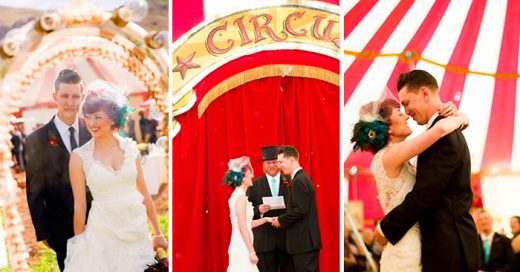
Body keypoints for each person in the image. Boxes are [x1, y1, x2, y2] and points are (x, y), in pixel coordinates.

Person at [367, 70, 480, 271]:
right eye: (401, 111)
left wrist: (385, 229)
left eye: (407, 104)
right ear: (388, 128)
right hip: (422, 245)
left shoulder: (441, 135)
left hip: (447, 245)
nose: (406, 112)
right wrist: (461, 118)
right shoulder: (436, 133)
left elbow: (424, 195)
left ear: (425, 93)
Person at [63, 80, 167, 271]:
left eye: (97, 117)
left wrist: (157, 232)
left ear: (112, 118)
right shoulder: (79, 157)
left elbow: (144, 194)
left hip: (136, 230)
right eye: (88, 117)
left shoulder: (130, 148)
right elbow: (79, 204)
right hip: (103, 232)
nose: (91, 123)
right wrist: (79, 243)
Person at [25, 68, 93, 271]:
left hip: (98, 222)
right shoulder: (36, 139)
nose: (70, 103)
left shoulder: (94, 130)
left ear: (82, 97)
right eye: (64, 96)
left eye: (75, 96)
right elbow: (34, 190)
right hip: (61, 228)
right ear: (55, 96)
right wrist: (43, 232)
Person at [272, 146, 321, 272]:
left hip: (304, 243)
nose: (279, 166)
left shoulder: (299, 180)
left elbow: (300, 210)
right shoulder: (300, 178)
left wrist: (280, 220)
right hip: (305, 243)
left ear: (292, 160)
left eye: (281, 162)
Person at [224, 156, 274, 272]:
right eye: (249, 174)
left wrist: (266, 219)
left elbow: (247, 224)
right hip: (242, 246)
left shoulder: (239, 196)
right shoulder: (240, 198)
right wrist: (252, 252)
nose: (252, 176)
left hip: (241, 243)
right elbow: (242, 226)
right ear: (242, 179)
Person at [246, 146, 293, 272]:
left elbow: (297, 208)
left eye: (274, 162)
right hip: (264, 243)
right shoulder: (254, 185)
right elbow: (246, 213)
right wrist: (258, 210)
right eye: (268, 163)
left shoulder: (291, 181)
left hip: (287, 241)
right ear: (263, 164)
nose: (272, 165)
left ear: (279, 163)